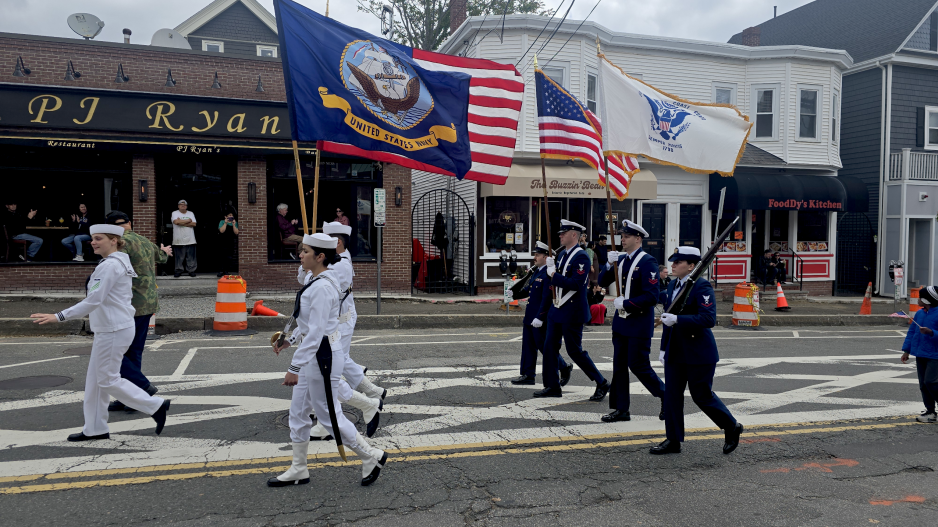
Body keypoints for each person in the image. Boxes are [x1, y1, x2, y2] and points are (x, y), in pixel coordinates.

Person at [30, 224, 171, 441]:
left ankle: (155, 405)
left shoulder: (109, 266)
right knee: (95, 382)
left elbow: (93, 300)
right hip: (113, 327)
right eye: (92, 239)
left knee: (107, 379)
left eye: (98, 238)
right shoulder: (116, 262)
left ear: (114, 240)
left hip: (113, 329)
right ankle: (95, 428)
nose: (93, 242)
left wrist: (58, 316)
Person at [268, 233, 387, 487]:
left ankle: (371, 456)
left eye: (305, 251)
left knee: (328, 416)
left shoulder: (322, 286)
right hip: (316, 355)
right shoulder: (318, 279)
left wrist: (293, 367)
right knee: (298, 413)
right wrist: (290, 340)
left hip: (321, 358)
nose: (300, 255)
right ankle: (299, 468)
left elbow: (317, 332)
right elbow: (309, 323)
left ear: (320, 257)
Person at [653, 246, 743, 455]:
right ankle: (673, 440)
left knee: (702, 396)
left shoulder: (702, 287)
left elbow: (708, 319)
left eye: (678, 262)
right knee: (672, 396)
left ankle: (731, 426)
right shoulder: (674, 284)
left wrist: (678, 320)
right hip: (675, 351)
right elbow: (668, 319)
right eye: (673, 262)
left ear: (691, 266)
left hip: (698, 351)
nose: (673, 265)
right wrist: (663, 348)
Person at [307, 221, 385, 441]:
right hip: (330, 323)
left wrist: (310, 262)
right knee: (330, 368)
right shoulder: (334, 260)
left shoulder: (341, 264)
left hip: (339, 322)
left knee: (330, 371)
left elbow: (311, 282)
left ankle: (337, 415)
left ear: (337, 242)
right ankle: (371, 395)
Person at [102, 211, 173, 413]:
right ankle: (131, 398)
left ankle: (141, 388)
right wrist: (164, 250)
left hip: (128, 304)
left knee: (116, 352)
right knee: (134, 351)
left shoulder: (119, 244)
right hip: (148, 303)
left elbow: (112, 270)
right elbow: (163, 258)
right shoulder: (144, 241)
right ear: (130, 223)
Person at [597, 220, 666, 423]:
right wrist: (608, 264)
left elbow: (652, 296)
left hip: (638, 323)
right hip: (621, 323)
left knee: (639, 365)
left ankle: (666, 395)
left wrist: (626, 303)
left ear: (638, 239)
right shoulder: (622, 260)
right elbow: (602, 282)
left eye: (626, 237)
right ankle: (621, 409)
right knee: (619, 366)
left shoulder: (648, 262)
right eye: (621, 236)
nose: (622, 240)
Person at [534, 219, 610, 400]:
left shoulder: (582, 256)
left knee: (575, 351)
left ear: (574, 235)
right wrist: (550, 269)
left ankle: (601, 382)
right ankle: (552, 386)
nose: (560, 236)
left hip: (573, 311)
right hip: (557, 309)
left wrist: (553, 273)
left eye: (564, 233)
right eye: (560, 233)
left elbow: (576, 284)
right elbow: (556, 281)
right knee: (549, 348)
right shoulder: (562, 255)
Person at [509, 241, 571, 385]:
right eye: (535, 255)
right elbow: (529, 290)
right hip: (530, 315)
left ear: (546, 257)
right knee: (528, 346)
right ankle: (527, 374)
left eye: (537, 255)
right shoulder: (537, 271)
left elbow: (547, 298)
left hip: (539, 316)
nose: (534, 258)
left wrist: (540, 317)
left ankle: (564, 366)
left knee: (543, 346)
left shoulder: (548, 273)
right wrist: (514, 293)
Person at [900, 285, 938, 424]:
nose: (917, 300)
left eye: (920, 297)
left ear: (928, 300)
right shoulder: (920, 313)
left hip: (935, 355)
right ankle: (930, 411)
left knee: (931, 382)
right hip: (920, 353)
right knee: (923, 384)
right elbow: (911, 333)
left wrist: (931, 332)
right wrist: (907, 350)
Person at [171, 200, 197, 277]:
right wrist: (188, 221)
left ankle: (191, 270)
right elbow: (176, 222)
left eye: (185, 205)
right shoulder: (174, 213)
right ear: (178, 206)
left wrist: (180, 222)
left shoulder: (191, 213)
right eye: (181, 204)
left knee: (191, 257)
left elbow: (194, 224)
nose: (183, 206)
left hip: (190, 239)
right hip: (178, 239)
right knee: (179, 257)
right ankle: (178, 270)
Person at [217, 209, 240, 277]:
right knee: (221, 257)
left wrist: (233, 224)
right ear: (225, 217)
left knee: (229, 257)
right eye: (229, 215)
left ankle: (226, 271)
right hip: (222, 242)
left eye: (232, 215)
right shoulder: (222, 222)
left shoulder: (235, 223)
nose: (231, 216)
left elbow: (236, 232)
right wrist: (226, 223)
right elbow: (221, 231)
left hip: (230, 242)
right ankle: (220, 271)